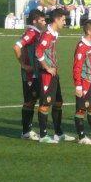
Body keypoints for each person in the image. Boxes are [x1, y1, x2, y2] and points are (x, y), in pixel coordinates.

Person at [35, 8, 72, 143]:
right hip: (47, 74)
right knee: (45, 103)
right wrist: (47, 67)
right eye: (63, 20)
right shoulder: (47, 35)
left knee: (58, 102)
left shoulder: (54, 33)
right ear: (56, 19)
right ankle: (43, 135)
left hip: (54, 73)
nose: (65, 22)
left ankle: (58, 133)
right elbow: (38, 52)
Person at [13, 8, 47, 140]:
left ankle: (28, 131)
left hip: (36, 73)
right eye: (42, 20)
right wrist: (23, 64)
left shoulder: (37, 33)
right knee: (29, 102)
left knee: (33, 100)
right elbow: (16, 46)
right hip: (30, 75)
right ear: (34, 21)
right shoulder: (32, 32)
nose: (44, 22)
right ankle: (26, 131)